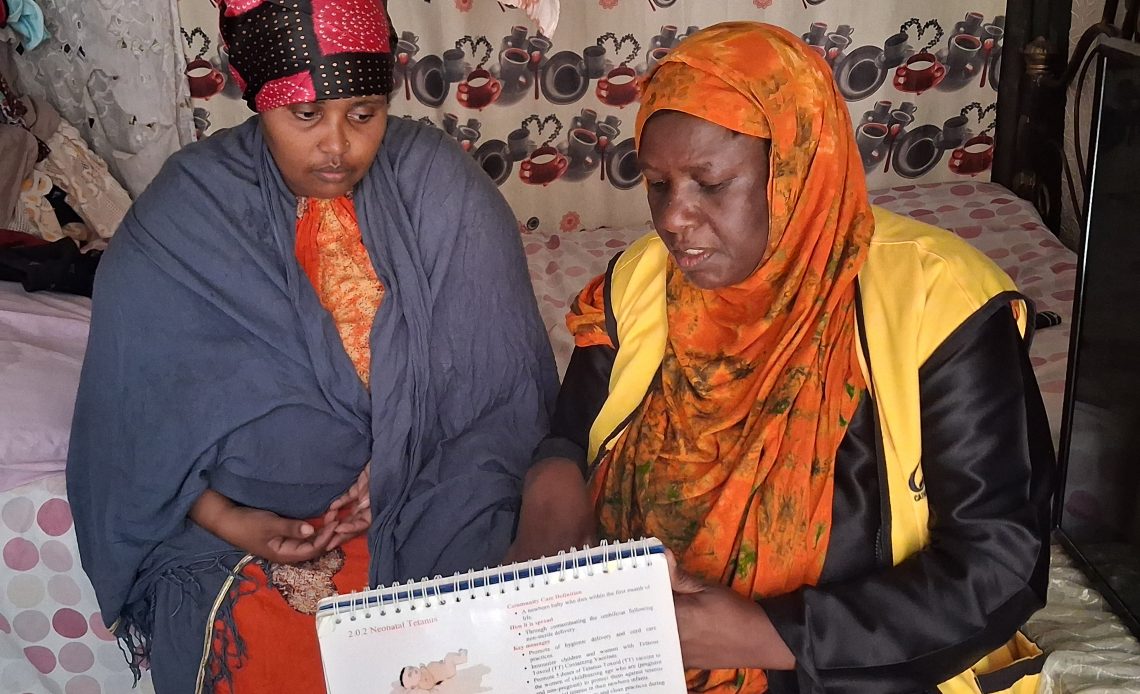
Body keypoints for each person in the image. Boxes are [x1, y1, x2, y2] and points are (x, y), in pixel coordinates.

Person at [66, 1, 581, 691]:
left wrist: (403, 450)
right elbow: (135, 426)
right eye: (304, 116)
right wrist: (233, 520)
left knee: (480, 638)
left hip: (439, 490)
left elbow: (500, 390)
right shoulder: (187, 212)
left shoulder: (438, 182)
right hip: (248, 529)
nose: (337, 145)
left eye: (363, 113)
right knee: (264, 647)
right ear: (259, 102)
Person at [527, 22, 1054, 694]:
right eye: (657, 184)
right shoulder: (640, 282)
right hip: (633, 658)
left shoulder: (938, 302)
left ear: (796, 168)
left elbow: (998, 567)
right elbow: (568, 438)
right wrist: (539, 555)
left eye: (709, 183)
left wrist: (758, 634)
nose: (673, 219)